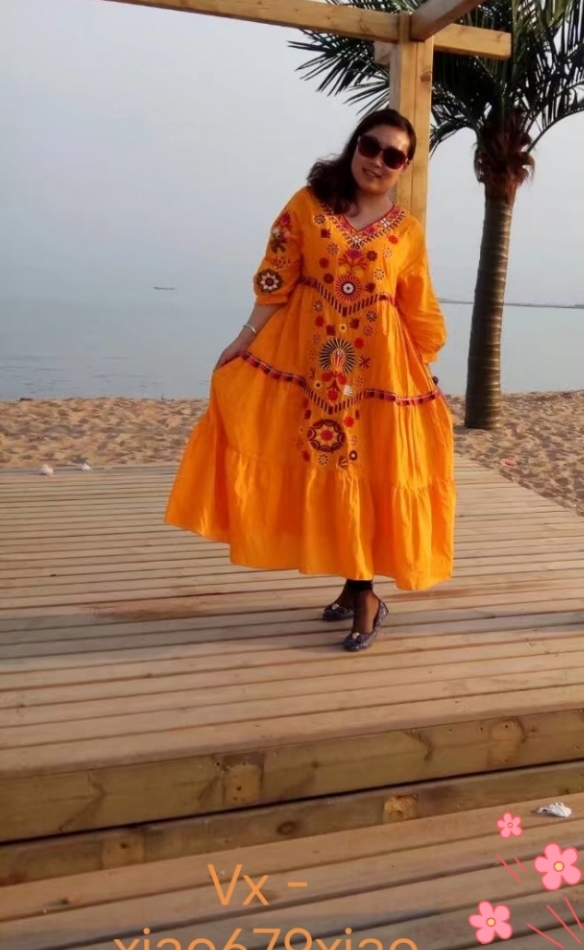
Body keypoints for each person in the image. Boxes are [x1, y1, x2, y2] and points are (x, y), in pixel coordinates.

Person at [165, 109, 455, 651]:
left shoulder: (406, 231)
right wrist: (245, 338)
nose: (378, 161)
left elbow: (417, 304)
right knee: (326, 466)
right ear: (355, 145)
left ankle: (365, 598)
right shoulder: (308, 205)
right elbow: (277, 277)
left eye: (393, 156)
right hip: (308, 368)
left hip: (377, 375)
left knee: (364, 473)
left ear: (404, 167)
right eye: (371, 146)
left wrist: (424, 368)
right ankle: (355, 588)